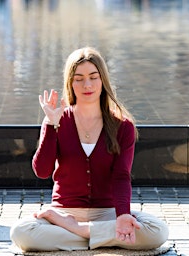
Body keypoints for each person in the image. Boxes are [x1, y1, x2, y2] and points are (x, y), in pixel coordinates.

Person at [10, 47, 169, 252]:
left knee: (157, 231)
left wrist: (122, 215)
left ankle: (79, 232)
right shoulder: (56, 119)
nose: (87, 85)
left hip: (107, 212)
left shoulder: (123, 126)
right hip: (64, 210)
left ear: (103, 80)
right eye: (79, 78)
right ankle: (102, 237)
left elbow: (121, 176)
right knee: (21, 233)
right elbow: (41, 171)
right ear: (70, 82)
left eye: (93, 77)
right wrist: (51, 124)